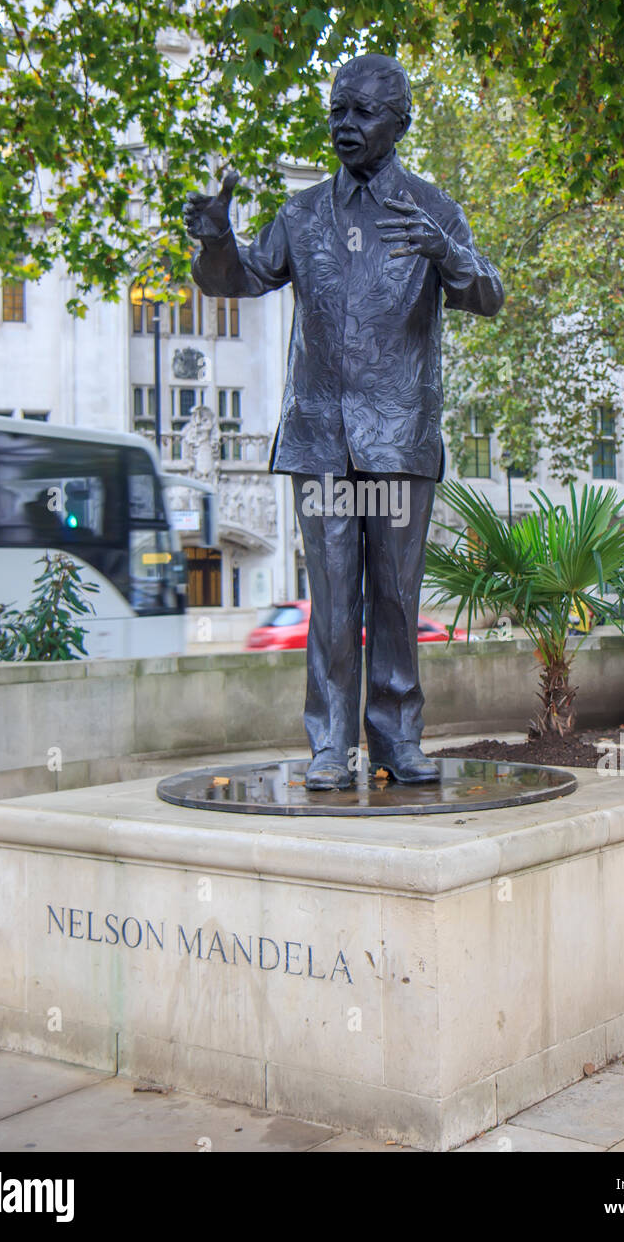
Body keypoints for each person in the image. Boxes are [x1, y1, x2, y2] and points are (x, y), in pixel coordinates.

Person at [184, 53, 504, 789]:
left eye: (361, 112)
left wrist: (447, 252)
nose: (345, 124)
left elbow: (487, 293)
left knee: (395, 596)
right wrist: (213, 240)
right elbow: (240, 278)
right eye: (336, 110)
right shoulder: (301, 214)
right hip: (320, 438)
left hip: (399, 439)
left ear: (399, 122)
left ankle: (396, 740)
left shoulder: (432, 209)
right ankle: (331, 745)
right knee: (331, 600)